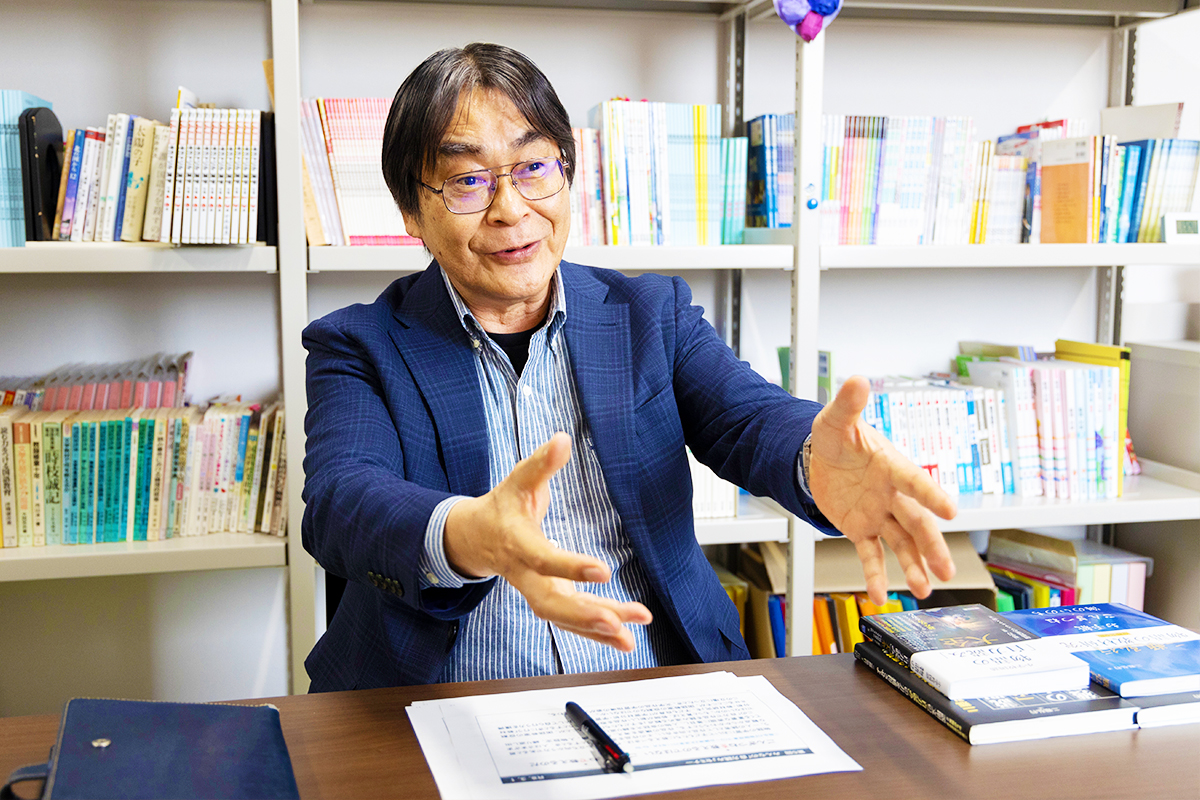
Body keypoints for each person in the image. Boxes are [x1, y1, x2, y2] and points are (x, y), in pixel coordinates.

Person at [301, 42, 957, 691]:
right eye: (468, 180)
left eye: (533, 167)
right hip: (437, 702)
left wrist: (813, 459)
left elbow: (748, 418)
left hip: (654, 688)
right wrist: (470, 535)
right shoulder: (359, 344)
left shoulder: (650, 314)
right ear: (411, 211)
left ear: (566, 173)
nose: (511, 208)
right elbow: (341, 500)